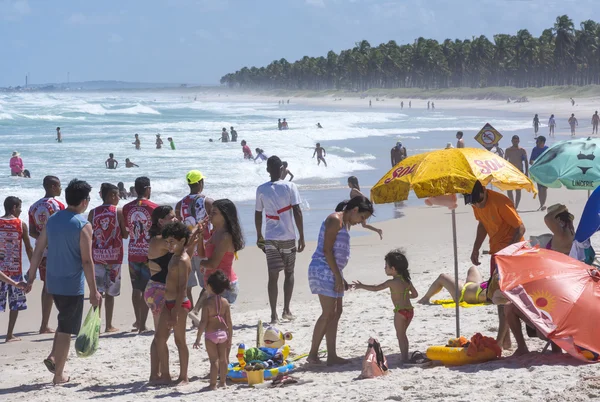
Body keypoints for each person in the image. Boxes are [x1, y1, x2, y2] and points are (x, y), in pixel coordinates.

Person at [26, 179, 102, 385]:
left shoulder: (53, 220)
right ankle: (59, 374)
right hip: (71, 285)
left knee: (63, 321)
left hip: (52, 282)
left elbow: (39, 249)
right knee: (67, 330)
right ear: (85, 201)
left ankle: (53, 357)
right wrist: (94, 291)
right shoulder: (83, 225)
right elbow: (87, 260)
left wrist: (31, 276)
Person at [307, 196, 374, 365]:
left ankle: (332, 355)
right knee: (328, 312)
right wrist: (337, 276)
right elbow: (327, 251)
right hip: (322, 269)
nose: (361, 221)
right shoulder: (334, 220)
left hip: (334, 271)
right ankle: (312, 354)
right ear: (355, 210)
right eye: (362, 217)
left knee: (337, 312)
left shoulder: (344, 224)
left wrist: (340, 276)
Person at [467, 180, 525, 349]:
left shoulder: (501, 202)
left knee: (505, 297)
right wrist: (476, 248)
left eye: (479, 201)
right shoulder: (475, 202)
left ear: (484, 192)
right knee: (497, 297)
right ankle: (506, 340)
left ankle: (500, 342)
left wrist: (510, 250)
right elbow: (482, 224)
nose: (477, 205)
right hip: (496, 253)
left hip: (512, 255)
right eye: (473, 203)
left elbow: (520, 228)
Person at [255, 156, 305, 323]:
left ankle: (273, 315)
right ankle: (286, 310)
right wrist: (302, 236)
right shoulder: (290, 186)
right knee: (289, 273)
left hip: (270, 238)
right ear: (282, 169)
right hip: (288, 237)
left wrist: (259, 236)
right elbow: (297, 211)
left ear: (268, 170)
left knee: (272, 276)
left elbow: (257, 214)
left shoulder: (261, 189)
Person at [353, 249, 417, 364]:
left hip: (400, 312)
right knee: (403, 335)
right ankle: (405, 356)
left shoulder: (391, 282)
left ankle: (404, 358)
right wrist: (405, 296)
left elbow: (376, 288)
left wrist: (361, 286)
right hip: (410, 311)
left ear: (393, 269)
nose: (384, 268)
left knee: (400, 336)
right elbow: (415, 295)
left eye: (386, 266)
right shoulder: (407, 281)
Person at [155, 222, 192, 385]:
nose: (168, 245)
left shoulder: (183, 260)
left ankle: (184, 376)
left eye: (172, 241)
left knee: (180, 341)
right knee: (159, 338)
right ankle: (165, 374)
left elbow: (183, 287)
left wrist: (175, 313)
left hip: (179, 305)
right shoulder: (174, 256)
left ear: (182, 241)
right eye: (167, 241)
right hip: (168, 302)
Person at [88, 183, 128, 333]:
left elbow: (90, 235)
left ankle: (95, 325)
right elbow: (125, 234)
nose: (118, 198)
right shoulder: (118, 212)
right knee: (110, 294)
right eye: (117, 195)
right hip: (114, 259)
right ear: (111, 195)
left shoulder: (93, 212)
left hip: (97, 257)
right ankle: (108, 325)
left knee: (98, 292)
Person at [28, 176, 65, 334]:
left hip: (42, 252)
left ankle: (44, 324)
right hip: (57, 251)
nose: (61, 188)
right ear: (52, 186)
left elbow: (32, 232)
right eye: (59, 186)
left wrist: (44, 241)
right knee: (61, 286)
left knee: (47, 286)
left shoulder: (33, 207)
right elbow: (64, 228)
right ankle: (64, 322)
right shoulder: (58, 205)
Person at [123, 177, 158, 333]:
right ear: (148, 189)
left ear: (135, 189)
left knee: (136, 289)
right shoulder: (154, 208)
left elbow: (127, 230)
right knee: (148, 289)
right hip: (149, 254)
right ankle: (142, 325)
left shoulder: (126, 208)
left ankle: (138, 321)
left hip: (133, 252)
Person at [175, 170, 213, 312]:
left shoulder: (180, 204)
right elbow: (216, 222)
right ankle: (198, 311)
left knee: (188, 286)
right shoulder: (207, 202)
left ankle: (191, 313)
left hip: (187, 249)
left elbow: (178, 227)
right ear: (199, 183)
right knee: (207, 284)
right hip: (204, 247)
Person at [0, 196, 33, 342]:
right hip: (15, 271)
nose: (20, 210)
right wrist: (32, 270)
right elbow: (28, 248)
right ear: (14, 207)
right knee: (15, 304)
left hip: (0, 270)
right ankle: (9, 335)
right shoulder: (21, 225)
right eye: (19, 207)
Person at [193, 271, 233, 390]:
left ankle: (213, 384)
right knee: (223, 359)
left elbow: (203, 322)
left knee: (213, 360)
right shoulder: (225, 303)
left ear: (210, 287)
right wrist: (230, 337)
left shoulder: (207, 303)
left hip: (211, 335)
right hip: (223, 334)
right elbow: (229, 322)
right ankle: (223, 382)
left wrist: (198, 338)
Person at [418, 266, 488, 305]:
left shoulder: (491, 293)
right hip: (477, 285)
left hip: (462, 293)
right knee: (473, 268)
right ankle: (466, 284)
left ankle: (425, 298)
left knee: (442, 277)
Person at [504, 135, 528, 209]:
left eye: (517, 141)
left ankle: (516, 206)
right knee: (509, 189)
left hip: (519, 172)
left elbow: (526, 161)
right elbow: (504, 161)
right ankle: (512, 203)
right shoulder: (508, 150)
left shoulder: (522, 150)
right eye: (514, 141)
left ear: (519, 141)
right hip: (510, 172)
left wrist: (526, 172)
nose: (515, 142)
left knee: (518, 190)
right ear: (512, 141)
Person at [530, 136, 548, 211]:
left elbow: (551, 159)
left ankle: (543, 204)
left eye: (538, 141)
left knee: (544, 188)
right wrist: (534, 164)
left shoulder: (547, 149)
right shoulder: (535, 149)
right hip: (537, 171)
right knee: (540, 188)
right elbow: (531, 161)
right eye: (536, 141)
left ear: (543, 142)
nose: (536, 143)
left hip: (545, 171)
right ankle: (541, 204)